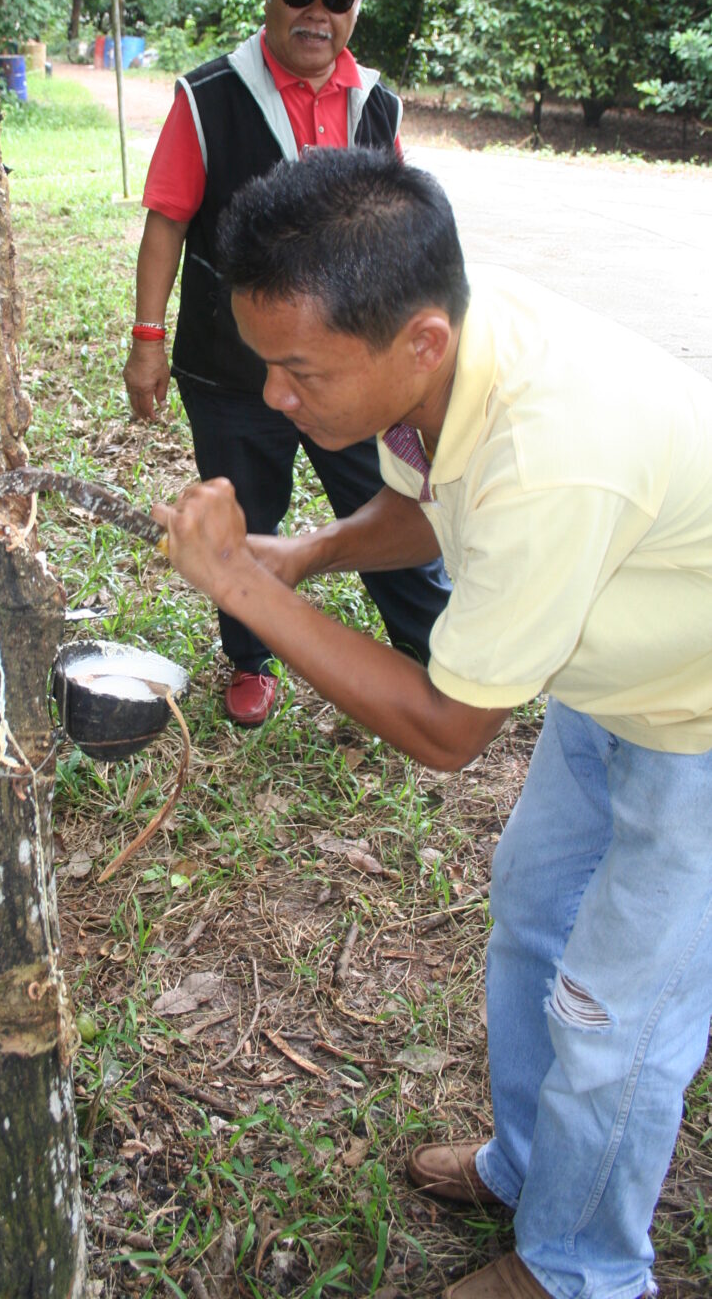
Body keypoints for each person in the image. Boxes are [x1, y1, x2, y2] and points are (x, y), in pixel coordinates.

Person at [152, 146, 712, 1299]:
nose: (272, 397)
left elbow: (447, 727)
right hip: (614, 685)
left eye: (298, 370)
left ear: (416, 343)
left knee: (616, 1014)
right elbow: (424, 504)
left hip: (696, 723)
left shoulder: (549, 454)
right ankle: (527, 1166)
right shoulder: (451, 341)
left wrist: (248, 591)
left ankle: (578, 1271)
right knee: (532, 913)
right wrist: (307, 551)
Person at [123, 0, 450, 726]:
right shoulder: (210, 97)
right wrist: (146, 340)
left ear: (356, 6)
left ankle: (432, 646)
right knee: (247, 511)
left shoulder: (378, 103)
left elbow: (398, 232)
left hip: (352, 371)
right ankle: (249, 661)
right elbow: (166, 218)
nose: (318, 12)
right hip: (235, 369)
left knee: (389, 499)